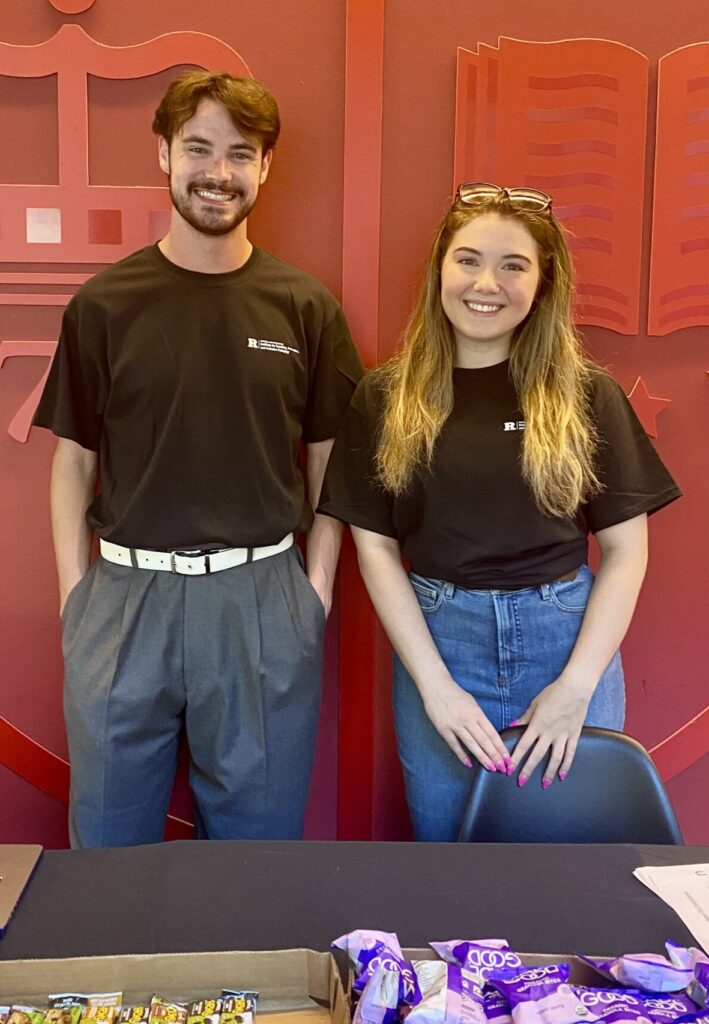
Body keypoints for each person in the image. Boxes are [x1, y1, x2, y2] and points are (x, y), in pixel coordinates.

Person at [34, 70, 363, 848]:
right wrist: (75, 597)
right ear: (164, 154)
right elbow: (73, 459)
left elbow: (330, 466)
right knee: (108, 843)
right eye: (199, 149)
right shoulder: (104, 305)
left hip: (261, 599)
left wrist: (312, 591)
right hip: (123, 599)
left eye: (239, 154)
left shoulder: (304, 306)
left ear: (265, 167)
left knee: (257, 846)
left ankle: (242, 974)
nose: (218, 172)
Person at [318, 182, 681, 842]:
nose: (486, 283)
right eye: (467, 259)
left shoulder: (584, 396)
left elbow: (628, 551)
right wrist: (434, 688)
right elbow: (372, 547)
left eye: (513, 265)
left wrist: (576, 684)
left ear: (542, 284)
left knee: (571, 860)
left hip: (566, 644)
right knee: (453, 854)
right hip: (440, 646)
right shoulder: (384, 397)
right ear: (439, 271)